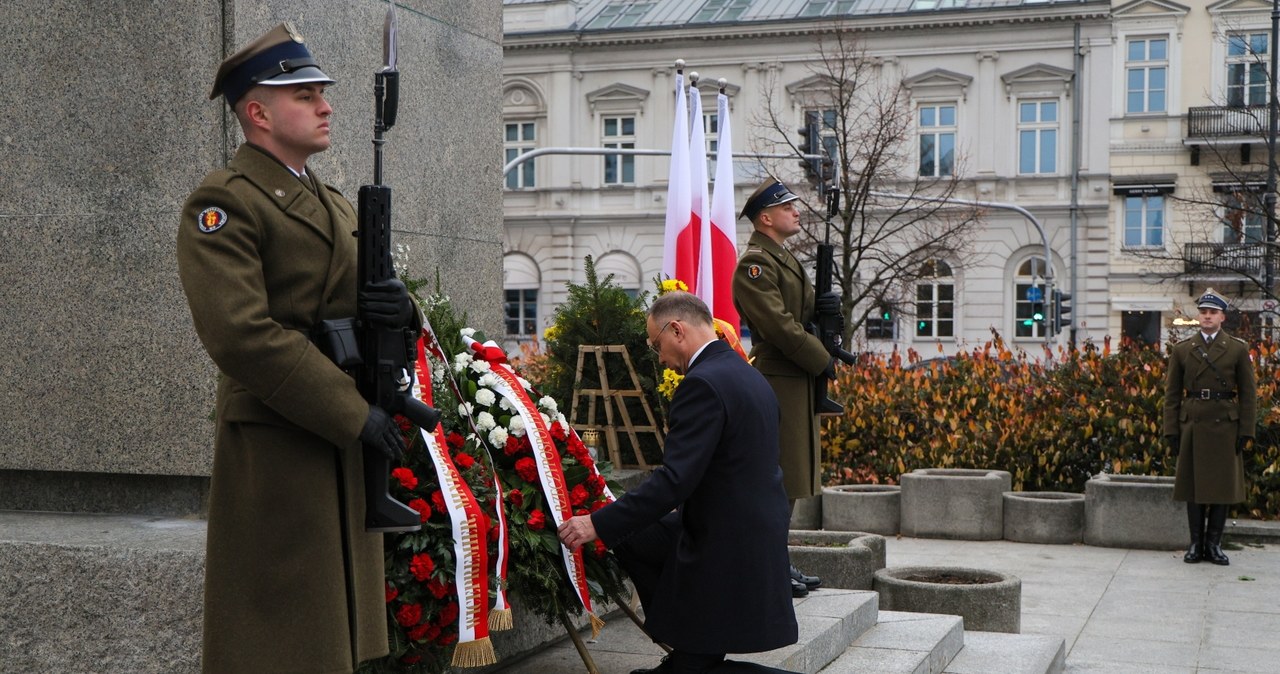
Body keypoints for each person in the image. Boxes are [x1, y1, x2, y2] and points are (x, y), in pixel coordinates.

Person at [176, 23, 417, 673]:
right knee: (280, 636)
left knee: (332, 641)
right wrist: (350, 412)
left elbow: (364, 301)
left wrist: (402, 313)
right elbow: (241, 333)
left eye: (322, 93)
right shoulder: (226, 202)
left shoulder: (332, 202)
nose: (326, 105)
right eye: (305, 95)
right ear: (258, 112)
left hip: (334, 438)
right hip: (282, 443)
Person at [558, 291, 798, 674]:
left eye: (657, 345)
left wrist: (595, 522)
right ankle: (688, 642)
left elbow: (674, 480)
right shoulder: (748, 375)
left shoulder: (701, 383)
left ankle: (690, 650)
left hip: (724, 537)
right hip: (750, 527)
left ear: (677, 329)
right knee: (636, 534)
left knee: (625, 532)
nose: (661, 358)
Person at [731, 179, 840, 597]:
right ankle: (767, 566)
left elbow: (800, 314)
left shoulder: (780, 258)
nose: (797, 212)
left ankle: (777, 561)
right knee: (779, 480)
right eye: (788, 207)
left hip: (795, 377)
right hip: (779, 376)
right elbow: (778, 325)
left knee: (791, 480)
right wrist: (821, 358)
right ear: (766, 218)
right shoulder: (755, 265)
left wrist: (826, 310)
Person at [1162, 288, 1257, 566]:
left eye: (1212, 313)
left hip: (1225, 424)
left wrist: (1246, 430)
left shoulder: (1237, 349)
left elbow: (1249, 394)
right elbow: (1172, 395)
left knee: (1221, 487)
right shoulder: (1183, 350)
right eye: (1203, 312)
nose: (1207, 316)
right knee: (1193, 487)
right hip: (1193, 422)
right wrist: (1171, 430)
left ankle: (1213, 545)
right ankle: (1195, 544)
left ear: (1222, 317)